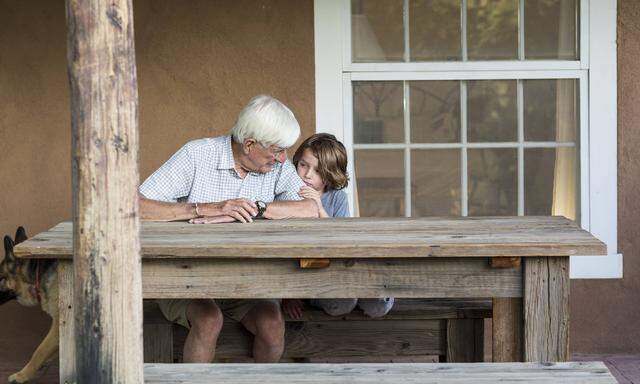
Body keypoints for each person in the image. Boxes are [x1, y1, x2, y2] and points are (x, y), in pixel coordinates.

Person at [138, 95, 319, 363]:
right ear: (249, 144)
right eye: (278, 150)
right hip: (189, 278)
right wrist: (203, 208)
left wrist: (257, 208)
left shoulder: (276, 167)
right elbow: (135, 206)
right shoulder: (197, 154)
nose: (283, 159)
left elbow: (311, 209)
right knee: (209, 319)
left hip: (248, 279)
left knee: (272, 323)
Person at [281, 133, 394, 319]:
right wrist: (288, 294)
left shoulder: (337, 197)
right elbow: (285, 252)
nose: (307, 175)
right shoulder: (287, 195)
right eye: (303, 165)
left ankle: (371, 291)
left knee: (378, 304)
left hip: (340, 266)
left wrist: (318, 206)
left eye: (318, 171)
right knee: (342, 302)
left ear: (330, 174)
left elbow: (339, 238)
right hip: (310, 271)